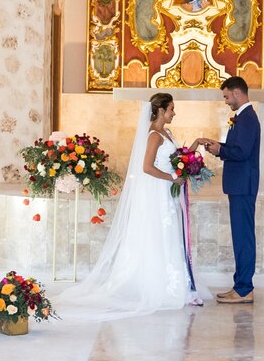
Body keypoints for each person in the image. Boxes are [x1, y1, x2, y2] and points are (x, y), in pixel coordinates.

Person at [52, 92, 210, 320]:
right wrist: (172, 178)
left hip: (167, 192)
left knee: (170, 235)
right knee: (159, 235)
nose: (174, 113)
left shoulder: (167, 132)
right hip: (159, 190)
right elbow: (146, 167)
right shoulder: (154, 136)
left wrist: (194, 146)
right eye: (171, 109)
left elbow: (176, 157)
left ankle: (176, 283)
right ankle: (160, 287)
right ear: (161, 111)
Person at [197, 76, 261, 304]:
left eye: (226, 96)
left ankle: (244, 289)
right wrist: (219, 146)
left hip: (243, 185)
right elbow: (237, 148)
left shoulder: (247, 118)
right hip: (240, 184)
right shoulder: (242, 117)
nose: (225, 101)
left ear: (236, 93)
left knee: (243, 237)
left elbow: (242, 152)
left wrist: (219, 151)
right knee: (240, 236)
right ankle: (240, 286)